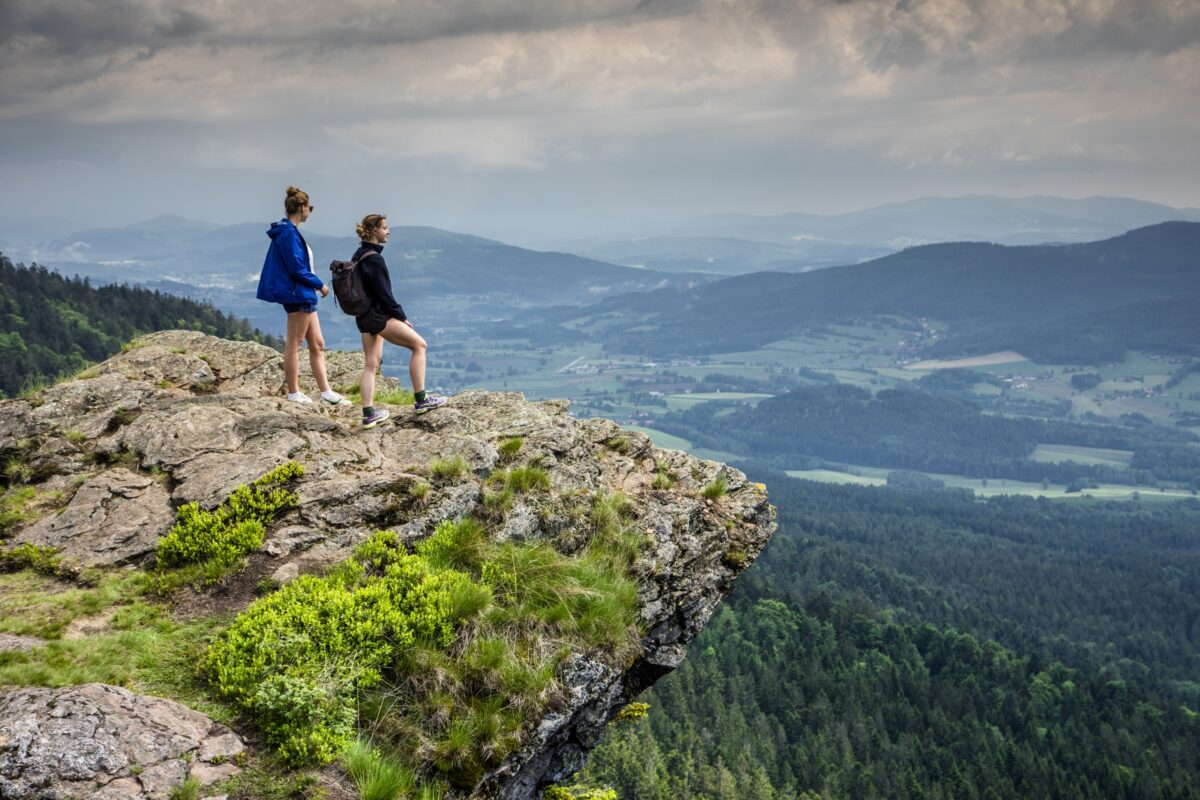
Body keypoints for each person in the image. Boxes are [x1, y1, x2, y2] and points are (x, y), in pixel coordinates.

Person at [352, 213, 447, 428]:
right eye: (385, 227)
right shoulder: (375, 259)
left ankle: (368, 414)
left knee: (371, 364)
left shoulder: (358, 254)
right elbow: (385, 294)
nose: (388, 231)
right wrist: (402, 317)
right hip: (378, 316)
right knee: (420, 345)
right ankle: (421, 400)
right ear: (375, 231)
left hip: (363, 316)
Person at [256, 186, 348, 406]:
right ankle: (294, 393)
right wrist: (319, 285)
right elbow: (296, 268)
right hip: (298, 294)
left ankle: (326, 393)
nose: (311, 211)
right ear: (301, 208)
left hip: (303, 295)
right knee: (294, 344)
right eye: (310, 207)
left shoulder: (290, 231)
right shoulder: (288, 233)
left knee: (317, 343)